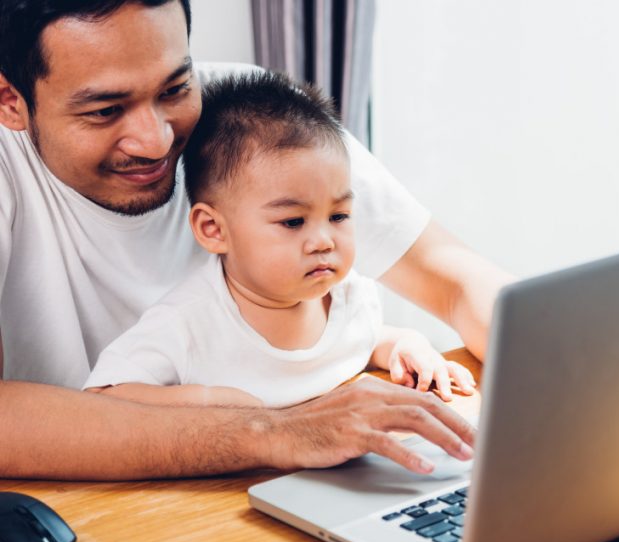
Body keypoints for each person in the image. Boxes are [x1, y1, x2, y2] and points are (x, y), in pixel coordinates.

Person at [0, 0, 512, 479]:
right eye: (104, 111)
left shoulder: (251, 123)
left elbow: (454, 278)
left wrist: (566, 374)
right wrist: (271, 431)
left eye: (175, 88)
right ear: (11, 102)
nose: (156, 141)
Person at [83, 71, 476, 407]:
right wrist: (205, 402)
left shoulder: (349, 296)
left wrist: (406, 346)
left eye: (338, 216)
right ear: (213, 229)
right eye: (292, 222)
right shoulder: (186, 324)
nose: (323, 240)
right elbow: (102, 398)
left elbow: (364, 341)